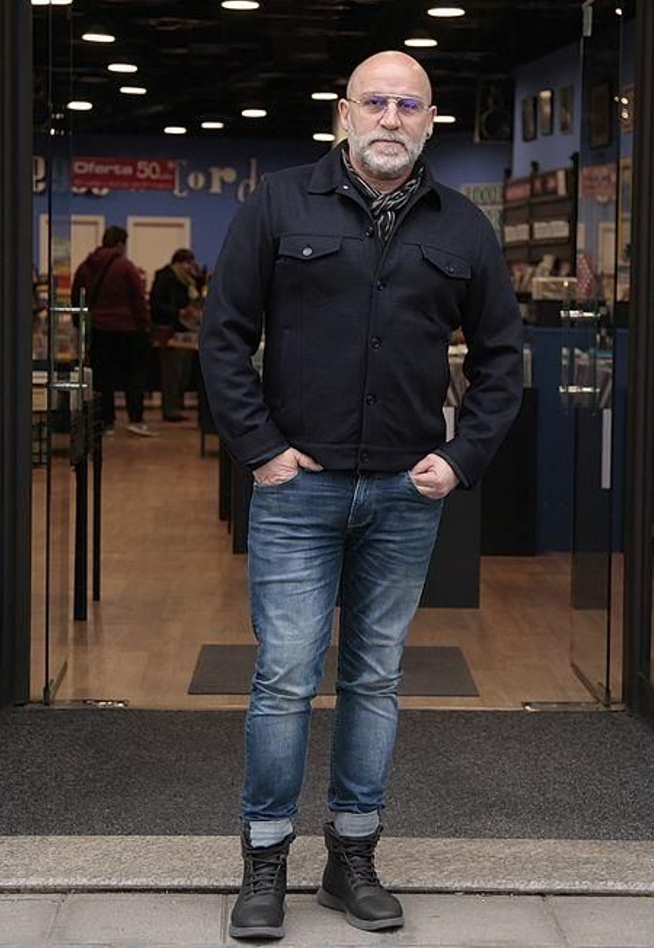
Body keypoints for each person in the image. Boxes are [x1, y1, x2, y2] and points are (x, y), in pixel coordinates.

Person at [201, 51, 523, 940]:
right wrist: (261, 450)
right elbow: (223, 336)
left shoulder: (463, 228)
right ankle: (265, 865)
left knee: (374, 679)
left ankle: (352, 860)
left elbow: (502, 359)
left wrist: (461, 458)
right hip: (297, 490)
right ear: (344, 113)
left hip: (404, 494)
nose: (390, 117)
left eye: (407, 105)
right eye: (374, 102)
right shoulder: (278, 205)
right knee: (284, 678)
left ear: (430, 121)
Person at [73, 225, 157, 437]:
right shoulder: (125, 266)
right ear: (120, 243)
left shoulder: (85, 266)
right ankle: (135, 419)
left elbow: (76, 298)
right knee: (134, 376)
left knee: (103, 378)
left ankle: (106, 421)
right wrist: (145, 325)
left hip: (99, 329)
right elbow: (137, 300)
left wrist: (80, 325)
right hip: (128, 329)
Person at [150, 248, 204, 422]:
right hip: (171, 332)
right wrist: (178, 312)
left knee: (183, 373)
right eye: (188, 263)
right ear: (178, 263)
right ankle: (170, 409)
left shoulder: (189, 281)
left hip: (186, 332)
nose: (190, 267)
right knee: (171, 374)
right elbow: (156, 304)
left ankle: (177, 406)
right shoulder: (166, 278)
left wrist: (200, 276)